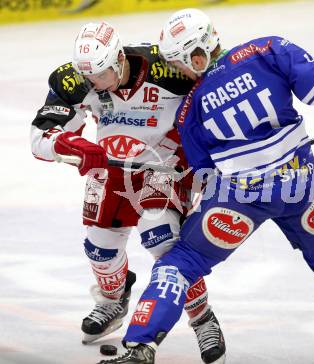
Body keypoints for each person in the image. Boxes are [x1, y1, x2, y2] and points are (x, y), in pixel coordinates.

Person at [98, 8, 314, 364]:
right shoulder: (268, 50)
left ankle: (140, 346)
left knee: (179, 264)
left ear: (197, 55)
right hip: (301, 186)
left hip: (239, 199)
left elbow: (205, 174)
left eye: (180, 64)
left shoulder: (190, 108)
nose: (180, 72)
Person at [30, 21, 226, 364]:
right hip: (111, 166)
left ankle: (203, 317)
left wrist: (216, 154)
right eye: (88, 77)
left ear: (120, 58)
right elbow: (40, 136)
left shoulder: (167, 67)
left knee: (162, 239)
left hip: (164, 164)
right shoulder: (76, 79)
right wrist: (71, 143)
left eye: (102, 75)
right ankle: (113, 300)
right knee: (99, 248)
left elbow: (218, 94)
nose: (94, 84)